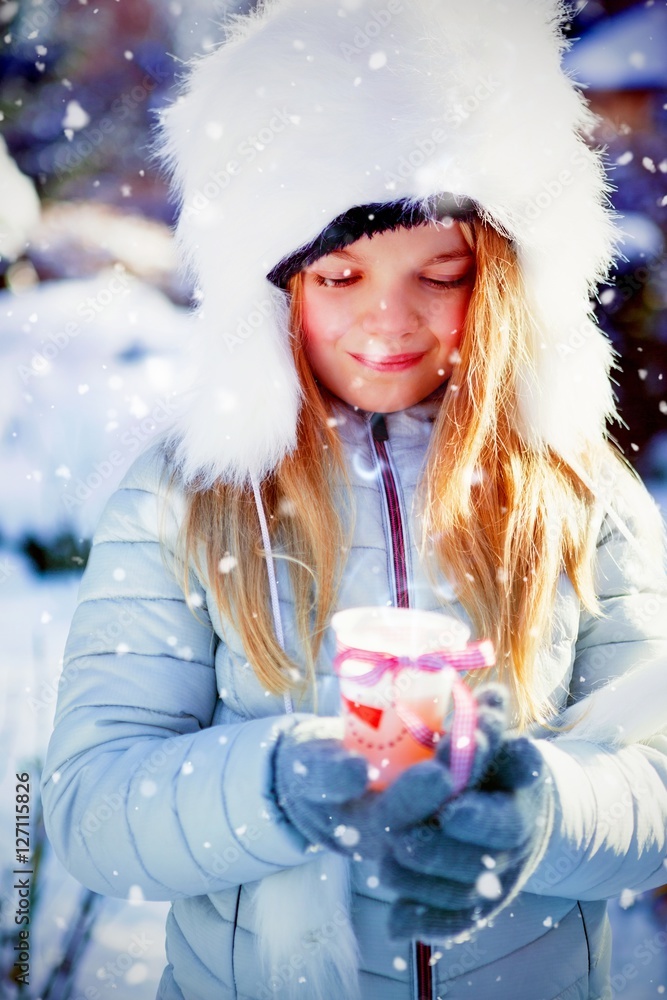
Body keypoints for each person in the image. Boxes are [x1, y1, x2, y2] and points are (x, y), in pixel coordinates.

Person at [41, 2, 667, 999]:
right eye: (339, 273)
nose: (390, 319)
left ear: (500, 279)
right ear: (271, 289)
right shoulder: (189, 498)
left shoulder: (573, 485)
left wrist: (546, 810)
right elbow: (83, 810)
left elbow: (656, 773)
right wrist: (273, 786)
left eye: (442, 271)